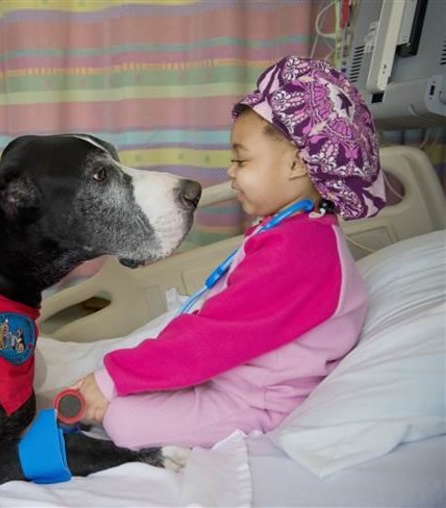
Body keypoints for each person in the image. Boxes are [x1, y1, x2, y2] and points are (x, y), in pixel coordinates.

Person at [66, 55, 387, 449]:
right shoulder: (294, 230)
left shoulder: (302, 251)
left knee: (123, 420)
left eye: (241, 159)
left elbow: (214, 336)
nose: (230, 172)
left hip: (257, 402)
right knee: (129, 389)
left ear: (297, 163)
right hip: (233, 377)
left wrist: (113, 378)